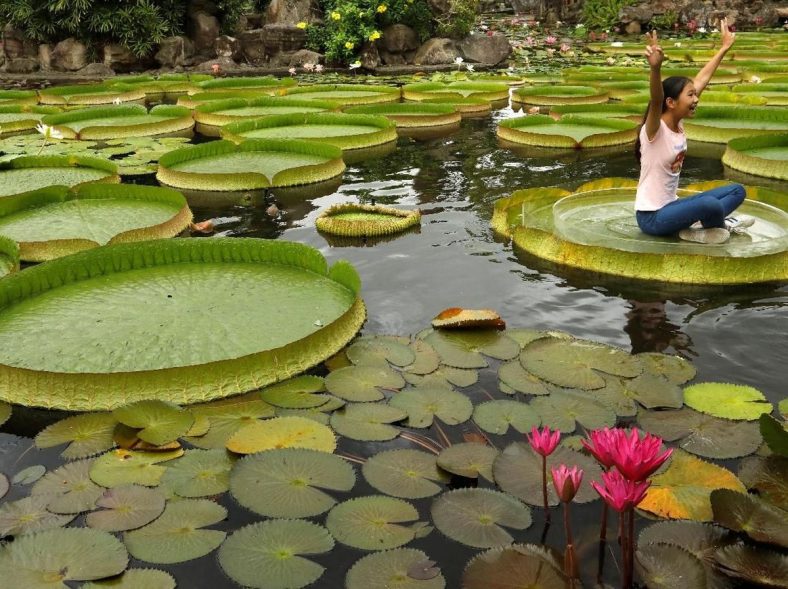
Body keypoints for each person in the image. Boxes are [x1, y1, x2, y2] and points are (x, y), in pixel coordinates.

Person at [634, 19, 753, 244]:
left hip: (672, 208)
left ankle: (705, 227)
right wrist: (655, 67)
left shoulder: (678, 122)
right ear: (670, 102)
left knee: (737, 190)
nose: (696, 98)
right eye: (690, 95)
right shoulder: (654, 130)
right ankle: (717, 225)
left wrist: (724, 48)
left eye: (694, 94)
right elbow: (656, 97)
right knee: (709, 205)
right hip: (652, 218)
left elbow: (701, 79)